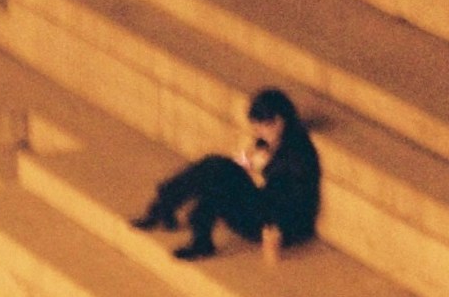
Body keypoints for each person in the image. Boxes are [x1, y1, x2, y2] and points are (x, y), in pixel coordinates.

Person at [130, 89, 320, 262]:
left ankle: (168, 210)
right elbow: (244, 165)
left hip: (278, 225)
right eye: (257, 127)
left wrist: (258, 173)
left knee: (217, 169)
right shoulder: (270, 142)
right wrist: (247, 166)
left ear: (280, 121)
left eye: (264, 126)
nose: (259, 133)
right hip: (261, 206)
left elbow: (285, 199)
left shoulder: (298, 153)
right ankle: (169, 210)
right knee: (216, 172)